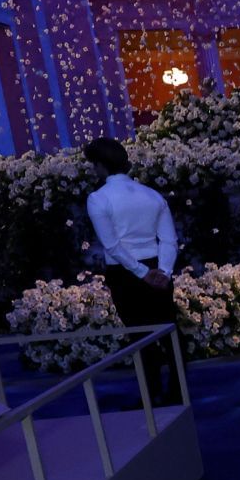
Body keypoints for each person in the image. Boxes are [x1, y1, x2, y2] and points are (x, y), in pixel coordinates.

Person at [83, 137, 180, 402]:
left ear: (101, 165)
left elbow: (112, 245)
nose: (93, 170)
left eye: (94, 164)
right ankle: (176, 390)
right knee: (167, 332)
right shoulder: (152, 194)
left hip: (127, 274)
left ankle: (151, 394)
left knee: (140, 335)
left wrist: (142, 273)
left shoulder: (98, 198)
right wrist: (164, 272)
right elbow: (169, 240)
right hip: (157, 271)